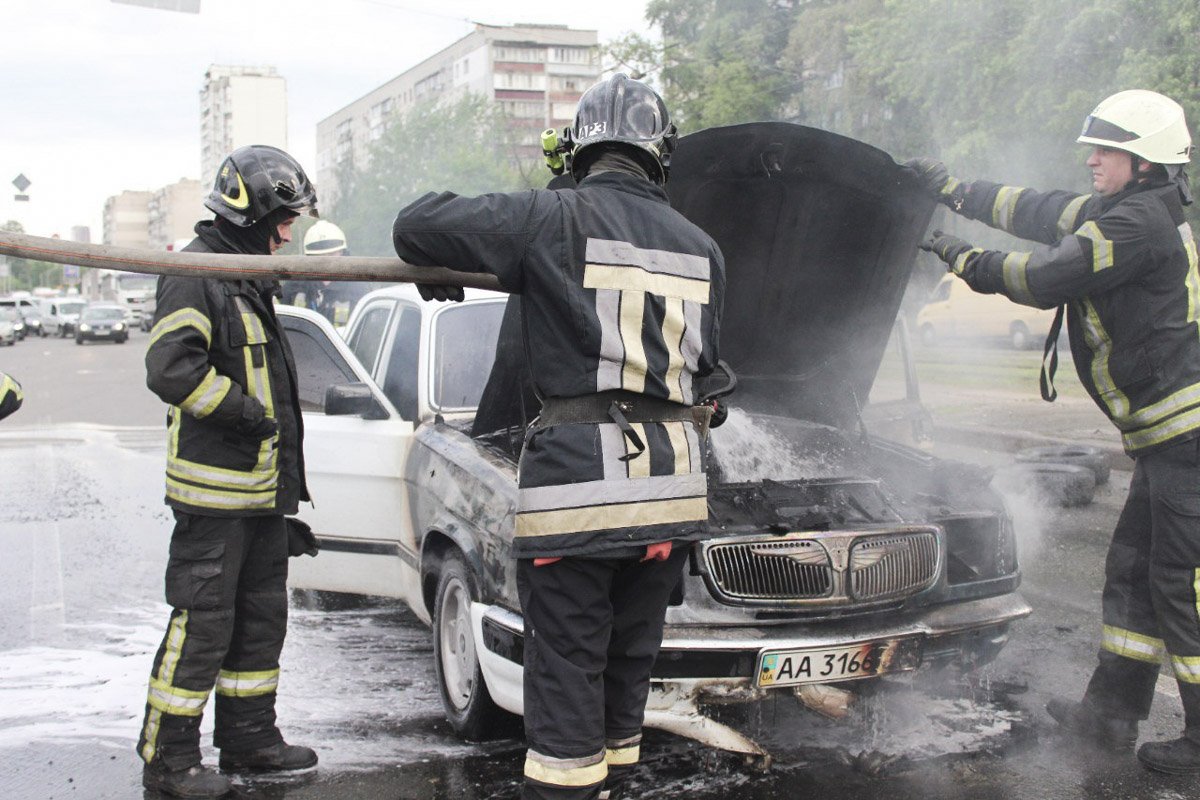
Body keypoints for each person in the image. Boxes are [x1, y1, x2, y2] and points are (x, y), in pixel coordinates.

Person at [392, 74, 725, 800]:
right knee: (625, 668)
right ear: (660, 154)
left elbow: (416, 222)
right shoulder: (704, 247)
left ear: (577, 150)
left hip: (579, 493)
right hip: (670, 498)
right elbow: (711, 377)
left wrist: (444, 267)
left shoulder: (549, 217)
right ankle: (615, 784)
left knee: (568, 668)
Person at [909, 89, 1200, 773]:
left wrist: (959, 255)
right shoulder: (1114, 211)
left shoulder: (1137, 226)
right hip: (1164, 443)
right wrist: (952, 189)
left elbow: (1044, 276)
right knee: (1132, 574)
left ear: (1147, 162)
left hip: (1188, 442)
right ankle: (1110, 715)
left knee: (1181, 586)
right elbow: (1035, 209)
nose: (1093, 159)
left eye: (1109, 151)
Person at [137, 144, 319, 798]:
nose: (289, 233)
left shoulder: (245, 274)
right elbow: (171, 368)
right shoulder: (196, 273)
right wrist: (244, 415)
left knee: (260, 624)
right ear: (253, 211)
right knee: (202, 626)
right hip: (215, 499)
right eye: (284, 219)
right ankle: (170, 760)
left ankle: (249, 738)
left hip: (263, 498)